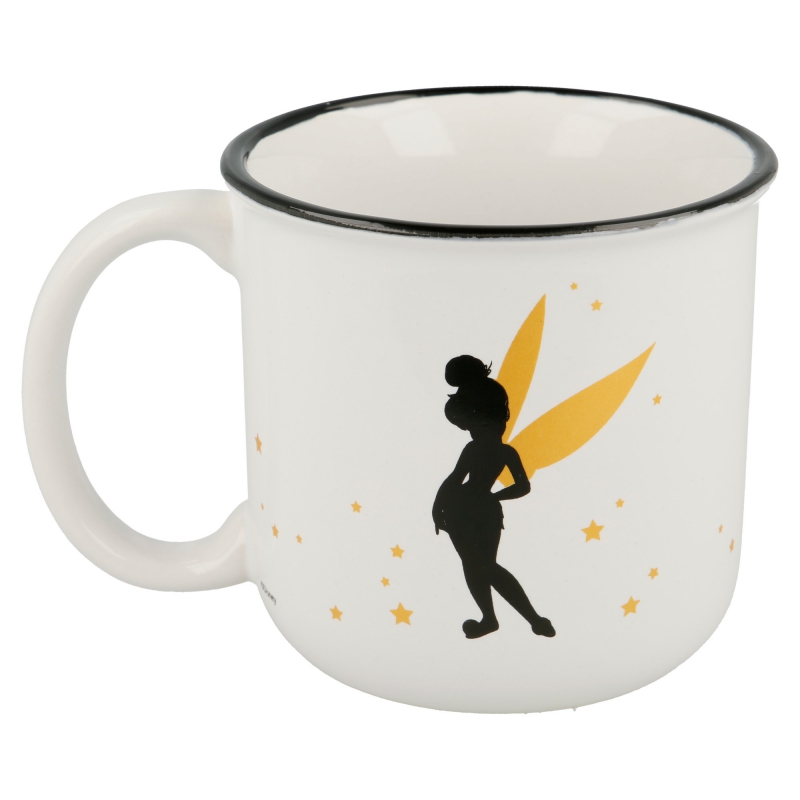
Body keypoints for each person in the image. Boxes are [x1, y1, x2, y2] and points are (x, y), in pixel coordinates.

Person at [432, 355, 556, 640]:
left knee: (482, 566)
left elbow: (519, 486)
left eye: (472, 424)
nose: (471, 430)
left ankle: (528, 618)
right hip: (467, 510)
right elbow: (457, 479)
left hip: (472, 509)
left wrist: (492, 497)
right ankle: (495, 618)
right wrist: (441, 507)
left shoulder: (485, 450)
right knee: (475, 565)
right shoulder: (498, 451)